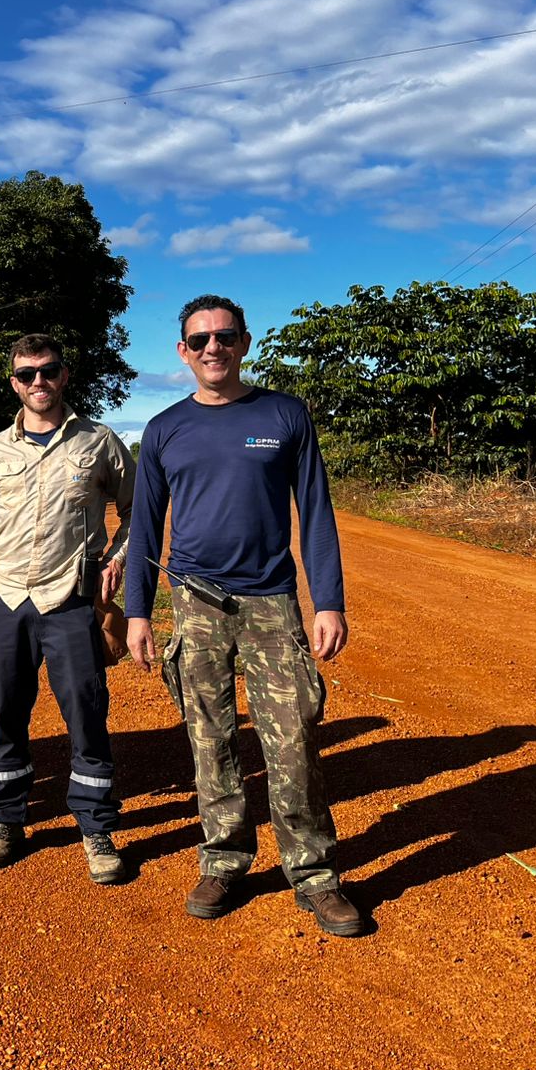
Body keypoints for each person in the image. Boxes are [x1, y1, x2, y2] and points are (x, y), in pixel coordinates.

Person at [124, 294, 363, 937]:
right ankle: (224, 857)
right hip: (195, 604)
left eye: (224, 337)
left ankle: (313, 874)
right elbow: (144, 527)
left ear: (244, 342)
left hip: (270, 603)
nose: (212, 348)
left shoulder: (284, 415)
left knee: (293, 738)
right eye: (199, 339)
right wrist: (138, 613)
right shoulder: (165, 428)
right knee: (211, 739)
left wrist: (329, 601)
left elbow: (315, 512)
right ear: (182, 351)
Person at [0, 333, 137, 884]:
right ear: (14, 382)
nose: (38, 382)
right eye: (27, 374)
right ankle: (6, 818)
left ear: (64, 375)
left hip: (71, 599)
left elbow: (138, 511)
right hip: (6, 597)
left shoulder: (99, 443)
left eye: (48, 371)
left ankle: (96, 826)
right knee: (3, 707)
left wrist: (116, 559)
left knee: (84, 708)